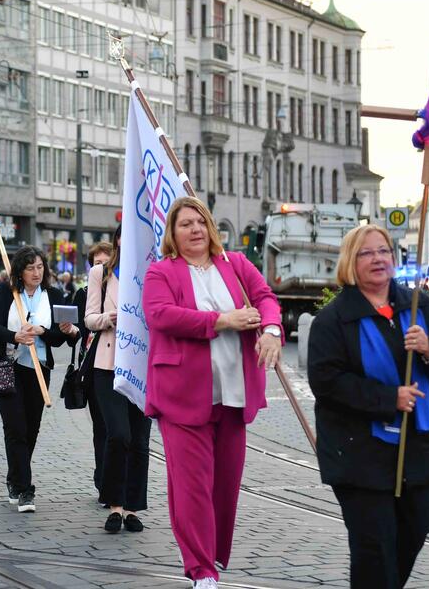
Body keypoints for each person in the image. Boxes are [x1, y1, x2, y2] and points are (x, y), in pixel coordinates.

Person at [308, 224, 429, 589]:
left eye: (384, 251)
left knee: (415, 528)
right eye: (367, 253)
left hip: (416, 449)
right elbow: (327, 383)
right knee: (375, 547)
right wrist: (388, 399)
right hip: (358, 453)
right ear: (350, 262)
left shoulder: (418, 305)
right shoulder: (334, 320)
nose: (378, 259)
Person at [142, 197, 282, 588]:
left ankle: (214, 556)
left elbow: (266, 298)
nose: (195, 230)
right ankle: (201, 570)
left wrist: (270, 331)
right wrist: (222, 320)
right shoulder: (162, 272)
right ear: (173, 233)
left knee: (225, 485)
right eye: (185, 224)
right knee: (192, 488)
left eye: (200, 221)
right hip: (182, 397)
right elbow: (161, 314)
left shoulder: (235, 265)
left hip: (234, 395)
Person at [0, 246, 79, 513]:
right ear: (20, 270)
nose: (36, 273)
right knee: (15, 427)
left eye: (40, 267)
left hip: (38, 368)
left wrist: (44, 330)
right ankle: (26, 489)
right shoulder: (6, 291)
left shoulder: (53, 294)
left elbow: (61, 337)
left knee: (31, 428)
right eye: (30, 268)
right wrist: (14, 335)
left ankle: (15, 478)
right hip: (8, 365)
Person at [85, 227, 150, 533]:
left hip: (141, 365)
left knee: (139, 440)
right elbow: (89, 318)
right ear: (118, 240)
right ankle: (114, 504)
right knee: (119, 434)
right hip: (107, 364)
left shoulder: (153, 271)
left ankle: (133, 507)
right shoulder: (102, 273)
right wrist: (108, 318)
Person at [77, 240, 113, 507]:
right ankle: (102, 478)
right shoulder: (85, 292)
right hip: (92, 364)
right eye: (96, 263)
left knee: (118, 429)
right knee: (101, 426)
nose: (100, 267)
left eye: (105, 262)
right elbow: (81, 326)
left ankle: (112, 481)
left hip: (117, 360)